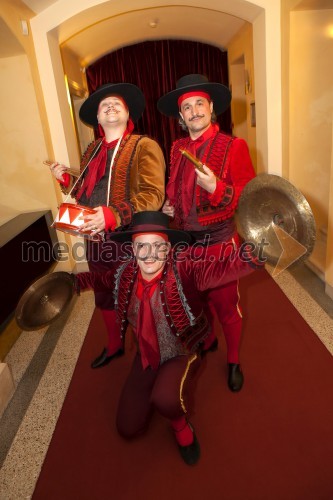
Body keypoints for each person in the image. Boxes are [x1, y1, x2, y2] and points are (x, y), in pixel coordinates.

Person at [73, 211, 263, 465]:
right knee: (127, 427)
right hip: (147, 353)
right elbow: (99, 279)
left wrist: (258, 252)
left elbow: (224, 268)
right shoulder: (125, 273)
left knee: (165, 398)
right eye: (142, 246)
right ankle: (155, 389)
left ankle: (180, 425)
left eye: (157, 246)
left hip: (180, 351)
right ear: (132, 248)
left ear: (168, 248)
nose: (149, 254)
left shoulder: (185, 269)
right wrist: (70, 282)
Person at [49, 83, 165, 368]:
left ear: (127, 113)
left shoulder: (144, 145)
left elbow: (154, 195)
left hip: (130, 240)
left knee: (138, 300)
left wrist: (113, 215)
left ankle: (149, 355)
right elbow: (86, 194)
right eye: (104, 106)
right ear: (98, 120)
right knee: (103, 296)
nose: (110, 107)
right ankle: (114, 346)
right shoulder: (93, 150)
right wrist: (66, 180)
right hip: (96, 242)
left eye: (116, 104)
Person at [157, 74, 256, 392]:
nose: (194, 110)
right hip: (185, 246)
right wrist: (169, 205)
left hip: (220, 247)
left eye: (200, 103)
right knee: (192, 300)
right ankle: (207, 339)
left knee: (227, 308)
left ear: (211, 108)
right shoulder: (177, 148)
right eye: (187, 106)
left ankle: (235, 360)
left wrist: (217, 188)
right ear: (181, 116)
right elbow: (175, 188)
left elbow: (248, 195)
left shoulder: (234, 146)